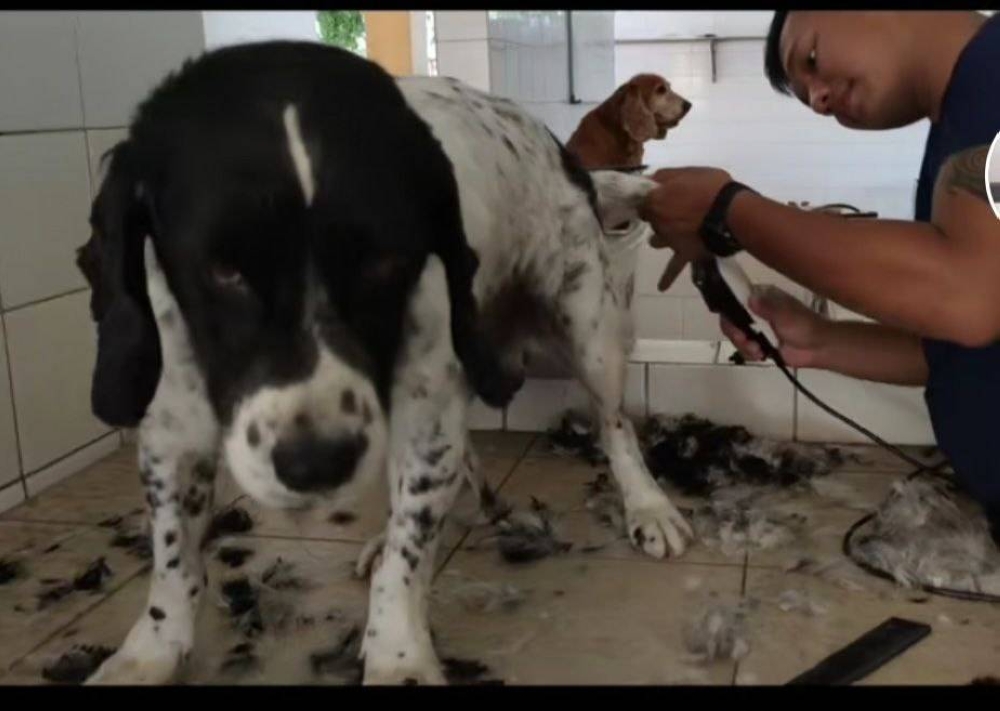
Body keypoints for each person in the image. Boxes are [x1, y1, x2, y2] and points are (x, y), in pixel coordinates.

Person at [638, 11, 1000, 535]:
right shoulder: (956, 126)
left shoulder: (994, 73)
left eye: (810, 60)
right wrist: (820, 341)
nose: (818, 101)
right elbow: (961, 349)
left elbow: (970, 298)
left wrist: (727, 208)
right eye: (808, 96)